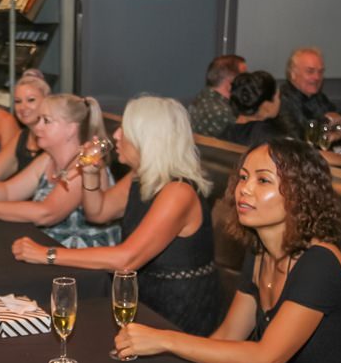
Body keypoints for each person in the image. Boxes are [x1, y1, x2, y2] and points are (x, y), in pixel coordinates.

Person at [114, 139, 341, 363]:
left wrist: (165, 340)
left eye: (263, 180)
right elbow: (229, 335)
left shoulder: (319, 263)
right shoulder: (260, 252)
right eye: (243, 177)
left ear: (301, 194)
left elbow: (265, 360)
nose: (245, 189)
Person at [12, 96, 219, 335]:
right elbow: (98, 213)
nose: (116, 135)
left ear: (148, 139)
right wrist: (91, 173)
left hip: (177, 309)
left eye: (125, 130)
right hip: (144, 296)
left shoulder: (178, 192)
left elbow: (126, 259)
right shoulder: (140, 177)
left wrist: (47, 254)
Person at [0, 93, 121, 249]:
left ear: (71, 129)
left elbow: (46, 213)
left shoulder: (87, 164)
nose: (37, 127)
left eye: (46, 121)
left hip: (80, 262)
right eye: (39, 120)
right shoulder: (48, 159)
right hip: (46, 250)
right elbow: (8, 190)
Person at [278, 47, 341, 141]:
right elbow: (297, 136)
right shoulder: (281, 100)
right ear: (293, 74)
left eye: (320, 72)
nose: (317, 77)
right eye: (310, 71)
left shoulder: (319, 98)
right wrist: (329, 125)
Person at [188, 55, 247, 137]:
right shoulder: (220, 111)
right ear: (231, 81)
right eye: (244, 77)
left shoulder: (204, 97)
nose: (248, 81)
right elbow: (247, 137)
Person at [220, 71, 284, 146]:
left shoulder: (227, 133)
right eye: (278, 97)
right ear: (266, 105)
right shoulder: (269, 136)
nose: (280, 102)